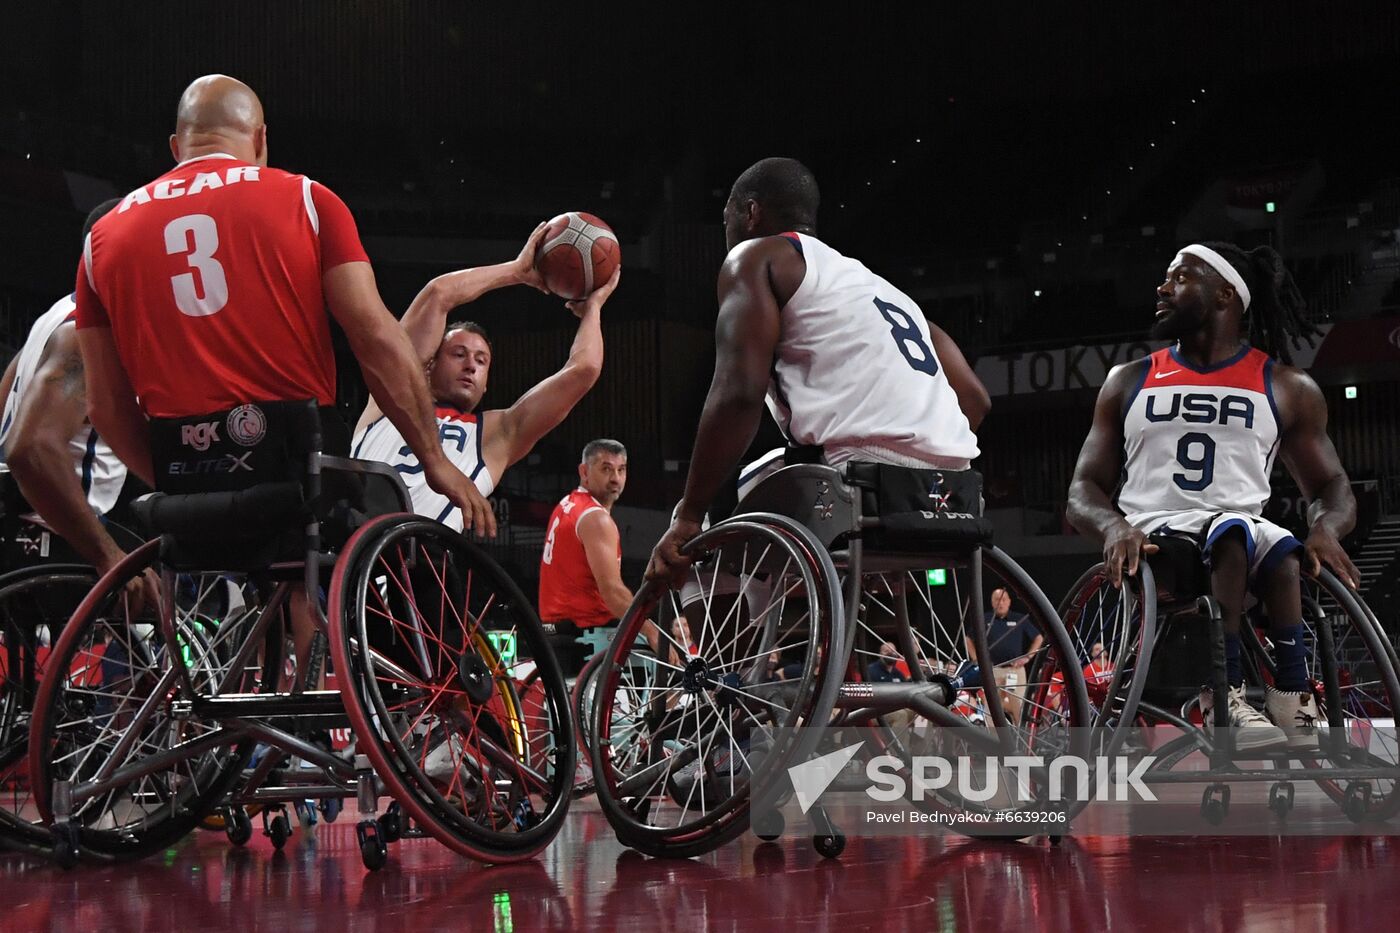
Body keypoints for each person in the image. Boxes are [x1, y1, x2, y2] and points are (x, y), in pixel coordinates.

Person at [74, 74, 494, 673]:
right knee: (409, 542)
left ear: (176, 147)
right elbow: (378, 342)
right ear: (261, 139)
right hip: (298, 488)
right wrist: (435, 462)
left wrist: (185, 480)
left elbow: (107, 407)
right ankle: (426, 704)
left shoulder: (100, 239)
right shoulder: (307, 200)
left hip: (181, 496)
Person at [1066, 242, 1358, 750]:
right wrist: (1113, 526)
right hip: (1156, 537)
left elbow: (1332, 486)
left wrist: (1326, 528)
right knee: (1235, 535)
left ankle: (1292, 696)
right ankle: (1226, 698)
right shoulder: (1128, 380)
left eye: (1179, 278)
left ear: (1225, 294)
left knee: (1279, 546)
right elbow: (1082, 491)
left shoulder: (1286, 385)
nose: (1162, 288)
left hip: (1245, 541)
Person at [647, 157, 990, 582]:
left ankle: (726, 648)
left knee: (715, 517)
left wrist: (688, 515)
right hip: (955, 493)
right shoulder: (885, 292)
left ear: (750, 213)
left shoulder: (756, 258)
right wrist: (919, 451)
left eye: (727, 218)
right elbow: (975, 400)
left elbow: (738, 395)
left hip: (857, 483)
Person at [351, 229, 619, 532]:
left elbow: (583, 370)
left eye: (481, 360)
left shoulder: (495, 435)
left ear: (487, 382)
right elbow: (438, 294)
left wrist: (592, 310)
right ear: (426, 366)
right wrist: (516, 271)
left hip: (417, 566)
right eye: (458, 354)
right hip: (349, 548)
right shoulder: (388, 398)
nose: (470, 366)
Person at [2, 199, 138, 579]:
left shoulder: (55, 316)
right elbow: (29, 448)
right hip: (57, 533)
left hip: (24, 526)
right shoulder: (84, 337)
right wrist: (106, 554)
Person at [538, 439, 632, 675]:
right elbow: (613, 593)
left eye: (621, 470)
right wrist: (652, 632)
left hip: (556, 634)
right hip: (584, 638)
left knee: (557, 710)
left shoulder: (567, 504)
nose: (615, 478)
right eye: (606, 469)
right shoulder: (595, 518)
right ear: (584, 472)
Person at [958, 587, 1042, 723]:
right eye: (997, 599)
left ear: (1009, 602)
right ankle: (994, 742)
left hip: (1015, 671)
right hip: (993, 671)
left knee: (1019, 708)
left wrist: (1028, 657)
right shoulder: (984, 619)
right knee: (991, 710)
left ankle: (1022, 741)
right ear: (992, 602)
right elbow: (968, 639)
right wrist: (976, 659)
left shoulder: (1019, 619)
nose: (1000, 603)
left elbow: (1038, 638)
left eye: (1003, 599)